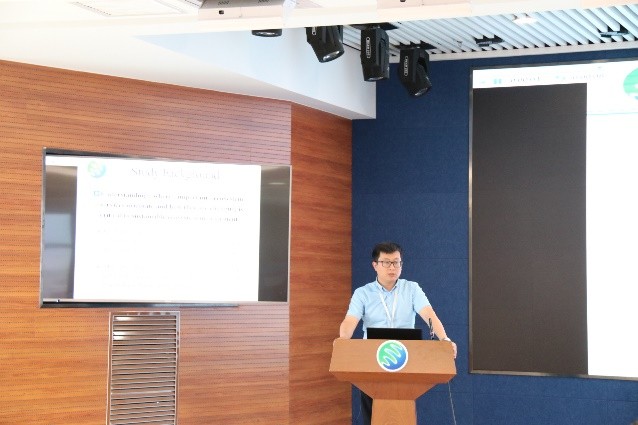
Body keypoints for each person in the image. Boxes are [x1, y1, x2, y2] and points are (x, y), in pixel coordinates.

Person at [338, 241, 457, 425]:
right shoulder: (362, 293)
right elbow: (349, 321)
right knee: (372, 414)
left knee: (402, 409)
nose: (392, 267)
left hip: (405, 359)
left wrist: (445, 339)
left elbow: (429, 315)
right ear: (375, 265)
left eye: (396, 262)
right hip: (371, 360)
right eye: (386, 262)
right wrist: (342, 339)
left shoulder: (412, 289)